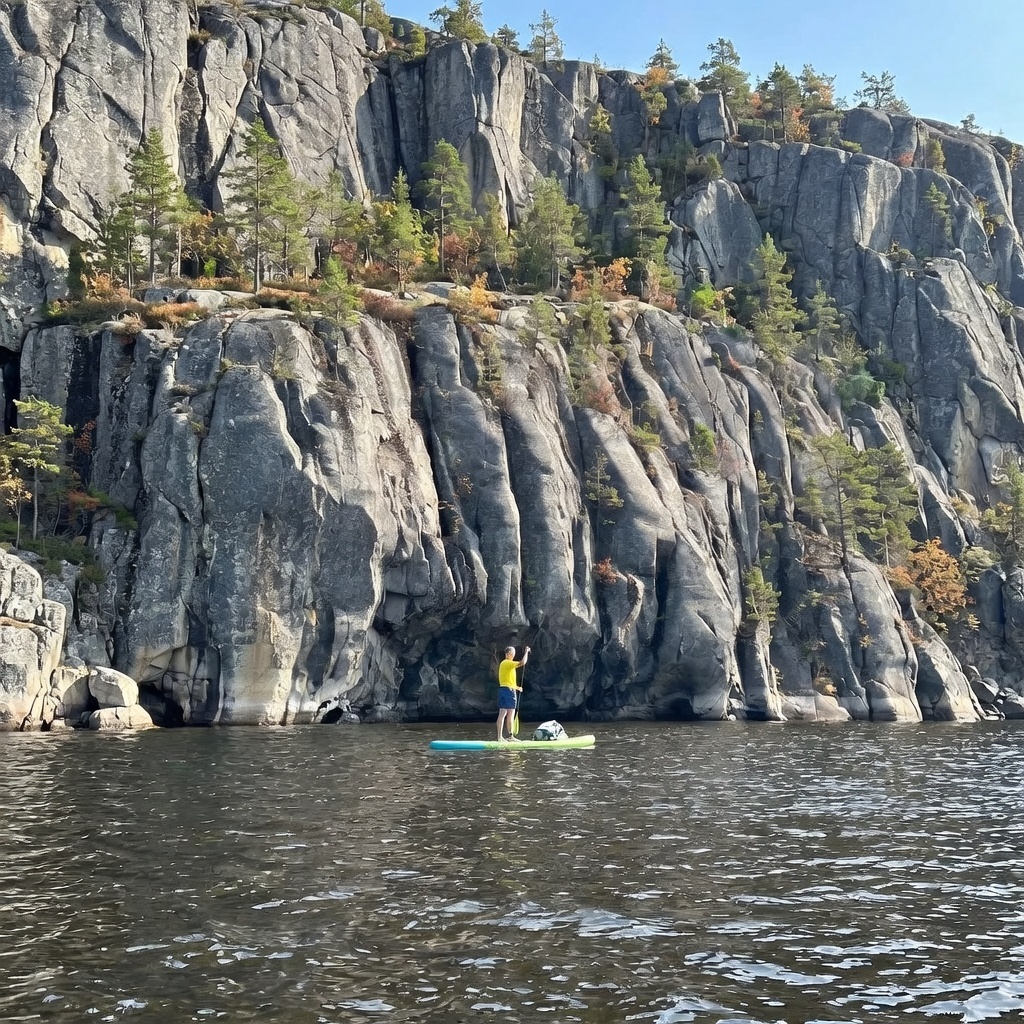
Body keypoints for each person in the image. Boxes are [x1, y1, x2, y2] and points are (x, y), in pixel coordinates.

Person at [496, 644, 530, 742]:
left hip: (505, 690)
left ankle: (505, 737)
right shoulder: (507, 663)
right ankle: (504, 737)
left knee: (506, 713)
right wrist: (526, 652)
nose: (514, 655)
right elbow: (522, 662)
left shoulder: (505, 665)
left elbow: (507, 681)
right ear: (508, 654)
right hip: (508, 691)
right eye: (513, 653)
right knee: (507, 713)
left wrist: (517, 687)